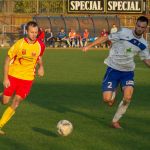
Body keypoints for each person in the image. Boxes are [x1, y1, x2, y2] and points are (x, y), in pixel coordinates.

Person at [82, 16, 150, 129]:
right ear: (135, 25)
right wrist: (89, 46)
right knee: (107, 100)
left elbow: (146, 60)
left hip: (128, 72)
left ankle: (115, 121)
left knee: (127, 97)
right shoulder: (123, 32)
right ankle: (114, 90)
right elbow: (106, 38)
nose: (139, 28)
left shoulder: (143, 44)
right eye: (138, 25)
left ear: (145, 28)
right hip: (113, 69)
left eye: (142, 27)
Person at [0, 21, 45, 135]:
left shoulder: (40, 45)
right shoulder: (19, 44)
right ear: (27, 31)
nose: (34, 34)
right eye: (31, 32)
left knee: (16, 102)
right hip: (13, 76)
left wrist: (41, 67)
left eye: (36, 32)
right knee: (5, 101)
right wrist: (5, 78)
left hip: (27, 79)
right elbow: (6, 61)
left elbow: (39, 58)